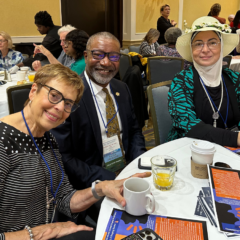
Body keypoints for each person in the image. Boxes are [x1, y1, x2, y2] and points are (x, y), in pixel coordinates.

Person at [0, 63, 150, 240]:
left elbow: (64, 198)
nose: (60, 108)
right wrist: (35, 234)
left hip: (55, 228)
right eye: (54, 95)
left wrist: (101, 188)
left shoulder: (48, 139)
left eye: (68, 103)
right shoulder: (4, 143)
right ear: (33, 91)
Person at [51, 31, 146, 188]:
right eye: (98, 55)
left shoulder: (122, 88)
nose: (106, 62)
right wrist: (110, 179)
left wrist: (137, 164)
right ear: (86, 56)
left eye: (114, 56)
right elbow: (63, 156)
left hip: (128, 171)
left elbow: (135, 131)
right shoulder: (68, 96)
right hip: (90, 182)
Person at [167, 16, 240, 147]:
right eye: (199, 43)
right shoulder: (181, 81)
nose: (205, 50)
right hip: (189, 151)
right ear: (191, 48)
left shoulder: (235, 78)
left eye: (212, 43)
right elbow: (189, 126)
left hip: (232, 152)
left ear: (221, 46)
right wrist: (235, 138)